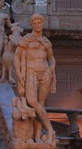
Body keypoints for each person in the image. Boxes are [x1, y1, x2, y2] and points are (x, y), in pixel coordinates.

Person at [14, 13, 56, 143]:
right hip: (31, 72)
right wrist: (19, 72)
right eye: (35, 23)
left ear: (42, 24)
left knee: (41, 104)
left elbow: (51, 58)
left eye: (39, 22)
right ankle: (50, 129)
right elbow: (16, 56)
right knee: (32, 102)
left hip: (45, 73)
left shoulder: (46, 42)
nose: (37, 25)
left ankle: (37, 136)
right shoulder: (26, 39)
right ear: (32, 24)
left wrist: (51, 68)